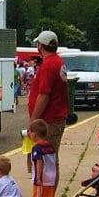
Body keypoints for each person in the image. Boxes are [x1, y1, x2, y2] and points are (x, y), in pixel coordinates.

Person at [28, 31, 69, 168]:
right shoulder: (58, 61)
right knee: (49, 160)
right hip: (54, 118)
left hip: (49, 121)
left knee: (47, 162)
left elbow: (44, 95)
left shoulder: (48, 64)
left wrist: (33, 121)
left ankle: (46, 184)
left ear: (40, 46)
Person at [25, 119, 58, 197]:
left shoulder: (37, 148)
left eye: (30, 132)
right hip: (50, 179)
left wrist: (38, 178)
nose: (28, 134)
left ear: (34, 134)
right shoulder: (50, 146)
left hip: (41, 179)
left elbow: (39, 163)